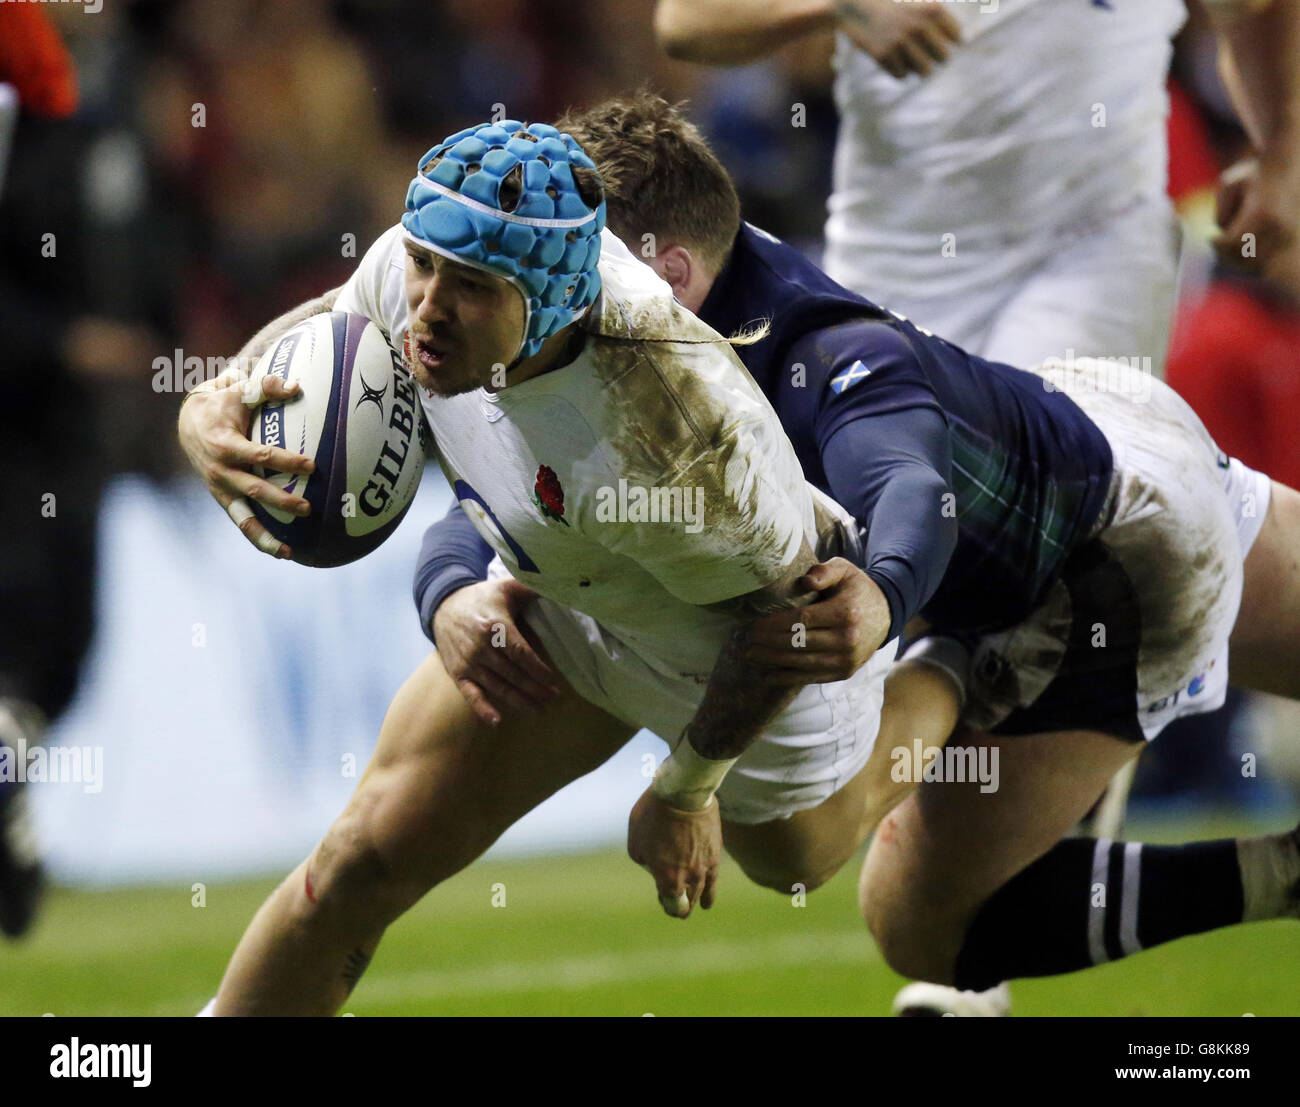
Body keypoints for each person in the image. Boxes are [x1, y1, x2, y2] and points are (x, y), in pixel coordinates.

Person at [416, 93, 1300, 1011]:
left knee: (921, 927)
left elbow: (911, 485)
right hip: (1088, 424)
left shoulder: (811, 350)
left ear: (666, 270)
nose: (556, 284)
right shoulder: (658, 318)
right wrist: (447, 584)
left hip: (1112, 554)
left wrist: (883, 592)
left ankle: (1281, 872)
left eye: (578, 261)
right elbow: (520, 472)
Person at [177, 115, 963, 1015]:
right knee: (362, 854)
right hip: (572, 600)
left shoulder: (678, 432)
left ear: (549, 300)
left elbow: (785, 623)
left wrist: (685, 787)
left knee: (796, 861)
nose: (426, 307)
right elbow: (329, 326)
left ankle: (955, 666)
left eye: (471, 287)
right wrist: (214, 398)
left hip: (743, 654)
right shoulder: (425, 262)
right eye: (424, 264)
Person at [654, 0, 1300, 1014]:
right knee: (986, 597)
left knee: (1043, 560)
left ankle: (987, 929)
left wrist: (1283, 149)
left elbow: (1253, 6)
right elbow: (687, 21)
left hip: (1090, 253)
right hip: (890, 273)